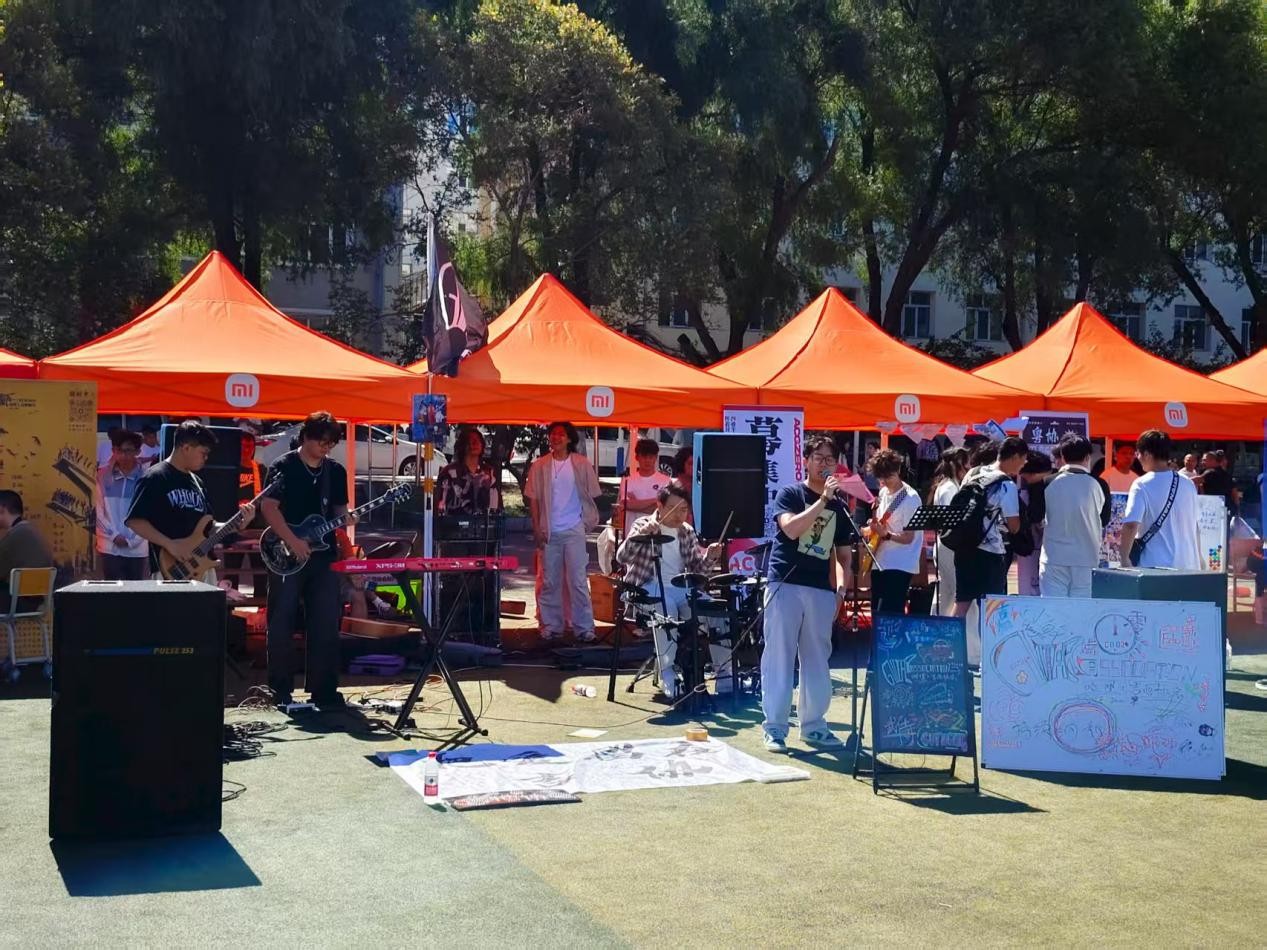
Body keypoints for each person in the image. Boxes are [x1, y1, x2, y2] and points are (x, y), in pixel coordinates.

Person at [761, 437, 859, 754]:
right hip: (785, 583)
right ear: (806, 460)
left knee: (817, 658)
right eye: (818, 457)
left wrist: (840, 591)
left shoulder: (841, 507)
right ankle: (775, 728)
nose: (824, 464)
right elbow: (791, 529)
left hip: (820, 589)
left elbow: (844, 557)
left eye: (830, 459)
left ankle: (814, 725)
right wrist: (822, 501)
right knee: (779, 655)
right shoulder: (791, 494)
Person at [260, 411, 351, 709]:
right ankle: (279, 689)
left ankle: (324, 689)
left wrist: (348, 521)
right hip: (285, 553)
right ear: (306, 437)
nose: (326, 447)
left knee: (325, 620)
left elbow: (339, 512)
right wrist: (293, 541)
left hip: (323, 556)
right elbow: (269, 507)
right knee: (282, 620)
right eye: (322, 441)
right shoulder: (283, 467)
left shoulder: (335, 471)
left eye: (331, 443)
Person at [616, 484, 725, 699]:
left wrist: (710, 557)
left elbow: (697, 573)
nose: (678, 515)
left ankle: (725, 676)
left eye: (683, 510)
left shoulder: (686, 531)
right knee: (666, 609)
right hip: (645, 589)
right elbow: (621, 557)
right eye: (673, 509)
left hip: (679, 588)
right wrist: (640, 536)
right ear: (660, 506)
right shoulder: (643, 525)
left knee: (718, 613)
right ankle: (668, 673)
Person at [126, 421, 251, 579]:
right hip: (170, 569)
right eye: (203, 453)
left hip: (202, 568)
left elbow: (208, 527)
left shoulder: (197, 482)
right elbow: (135, 521)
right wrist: (169, 544)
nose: (206, 458)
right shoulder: (155, 477)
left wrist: (236, 525)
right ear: (186, 448)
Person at [525, 421, 602, 642]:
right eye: (553, 434)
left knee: (577, 581)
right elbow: (533, 499)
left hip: (574, 529)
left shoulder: (581, 463)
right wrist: (536, 527)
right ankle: (551, 626)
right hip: (549, 530)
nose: (556, 437)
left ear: (569, 439)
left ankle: (584, 628)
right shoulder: (540, 465)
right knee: (550, 581)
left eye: (561, 434)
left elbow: (593, 494)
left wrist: (586, 520)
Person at [952, 437, 1025, 618]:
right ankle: (985, 639)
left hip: (964, 548)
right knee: (990, 610)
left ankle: (949, 636)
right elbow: (1014, 526)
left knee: (961, 604)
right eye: (1023, 459)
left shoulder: (974, 472)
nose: (1023, 464)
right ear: (1015, 457)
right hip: (990, 552)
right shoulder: (1006, 484)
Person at [1037, 435, 1110, 598]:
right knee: (1082, 609)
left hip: (1053, 557)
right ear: (1088, 457)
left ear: (1062, 456)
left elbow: (1037, 516)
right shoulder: (1100, 484)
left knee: (1053, 609)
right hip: (1087, 558)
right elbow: (1104, 520)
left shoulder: (1047, 482)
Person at [1120, 430, 1202, 571]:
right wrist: (1200, 558)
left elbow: (1131, 525)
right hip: (1189, 565)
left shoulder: (1141, 484)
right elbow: (1195, 525)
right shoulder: (1188, 483)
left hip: (1155, 566)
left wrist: (1124, 559)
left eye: (1138, 453)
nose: (1137, 457)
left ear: (1147, 454)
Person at [864, 449, 921, 616]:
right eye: (881, 477)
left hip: (900, 563)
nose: (885, 481)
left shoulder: (911, 498)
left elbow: (909, 537)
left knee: (891, 613)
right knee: (876, 611)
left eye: (888, 477)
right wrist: (873, 523)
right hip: (880, 559)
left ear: (898, 470)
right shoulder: (883, 492)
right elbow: (882, 523)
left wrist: (886, 535)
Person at [94, 429, 148, 580]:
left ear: (137, 452)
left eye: (128, 451)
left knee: (135, 592)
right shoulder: (102, 476)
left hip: (137, 551)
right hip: (109, 548)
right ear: (113, 450)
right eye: (119, 450)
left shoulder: (146, 479)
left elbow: (150, 516)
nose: (123, 455)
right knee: (112, 593)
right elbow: (97, 512)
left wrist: (132, 540)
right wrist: (114, 536)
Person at [929, 447, 969, 616]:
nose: (968, 468)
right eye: (966, 464)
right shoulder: (949, 488)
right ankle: (947, 624)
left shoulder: (947, 485)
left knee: (945, 592)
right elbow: (951, 522)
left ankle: (938, 623)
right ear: (958, 464)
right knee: (953, 591)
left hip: (946, 544)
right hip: (949, 545)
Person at [0, 492, 54, 611]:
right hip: (34, 601)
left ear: (2, 509)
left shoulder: (15, 535)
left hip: (16, 602)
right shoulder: (30, 530)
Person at [1013, 453, 1053, 597]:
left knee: (1032, 586)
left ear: (1034, 473)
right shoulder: (1057, 483)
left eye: (1026, 476)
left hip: (1039, 546)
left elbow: (1035, 516)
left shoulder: (1039, 487)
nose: (1025, 480)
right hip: (1048, 546)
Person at [436, 426, 499, 515]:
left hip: (483, 522)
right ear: (463, 445)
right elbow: (441, 504)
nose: (474, 443)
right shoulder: (448, 472)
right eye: (470, 440)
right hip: (454, 521)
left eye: (478, 440)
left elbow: (495, 505)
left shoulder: (489, 472)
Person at [615, 438, 671, 539]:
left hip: (657, 535)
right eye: (644, 456)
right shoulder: (628, 480)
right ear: (637, 457)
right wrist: (656, 500)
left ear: (656, 458)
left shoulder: (666, 481)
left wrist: (636, 505)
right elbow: (626, 504)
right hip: (632, 533)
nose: (647, 460)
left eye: (651, 457)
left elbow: (664, 509)